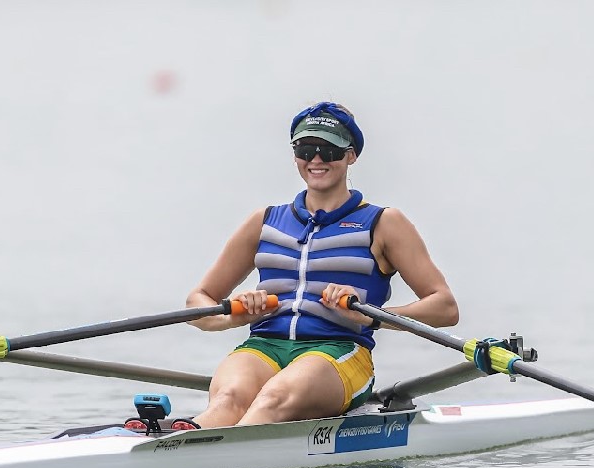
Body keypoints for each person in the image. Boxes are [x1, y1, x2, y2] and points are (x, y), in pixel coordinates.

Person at [143, 102, 458, 431]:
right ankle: (181, 441)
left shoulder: (383, 223)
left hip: (338, 351)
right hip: (264, 346)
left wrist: (369, 316)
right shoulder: (264, 221)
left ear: (351, 155)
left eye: (329, 149)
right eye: (306, 149)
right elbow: (199, 300)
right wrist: (232, 316)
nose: (317, 159)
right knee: (228, 399)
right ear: (295, 155)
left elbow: (445, 306)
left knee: (271, 399)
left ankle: (226, 463)